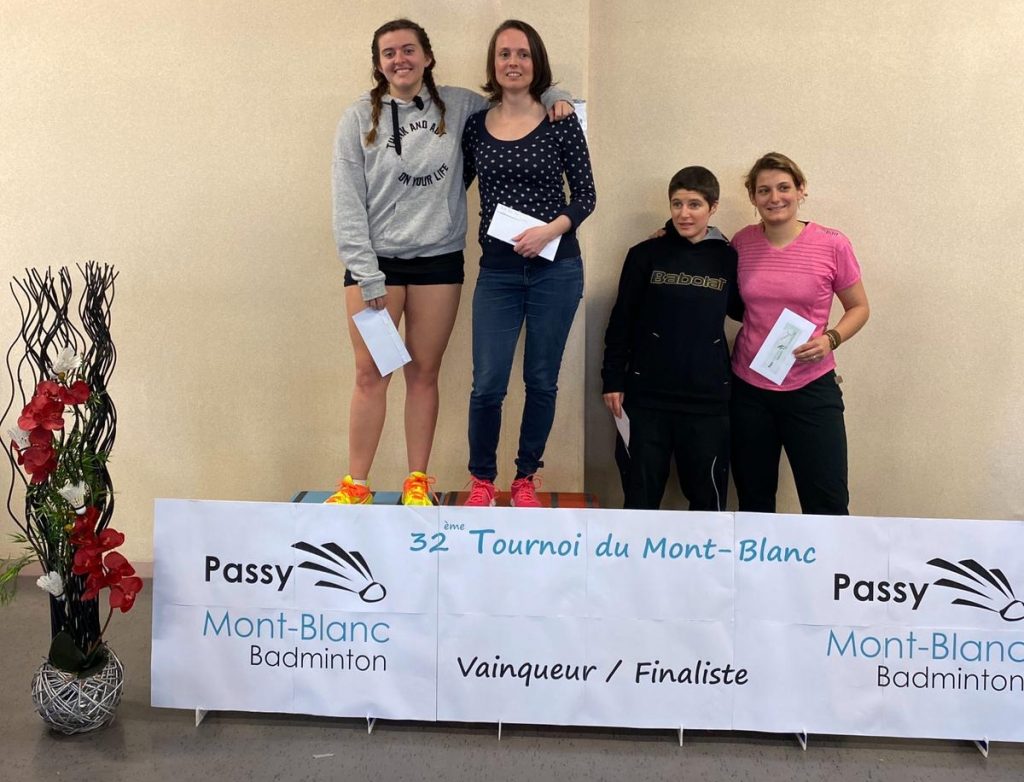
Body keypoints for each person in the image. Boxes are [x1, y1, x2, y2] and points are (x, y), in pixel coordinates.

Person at [329, 19, 573, 506]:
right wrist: (367, 272)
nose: (400, 59)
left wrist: (555, 95)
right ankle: (356, 484)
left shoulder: (461, 106)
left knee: (423, 373)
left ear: (427, 56)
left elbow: (514, 97)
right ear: (378, 64)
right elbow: (347, 202)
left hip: (438, 261)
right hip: (374, 266)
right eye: (389, 53)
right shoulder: (357, 118)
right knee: (371, 374)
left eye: (409, 49)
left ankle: (417, 481)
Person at [460, 19, 596, 508]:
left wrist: (549, 231)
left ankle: (524, 477)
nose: (513, 63)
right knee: (487, 384)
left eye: (522, 54)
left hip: (556, 270)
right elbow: (453, 187)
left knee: (540, 380)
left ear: (536, 61)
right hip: (497, 273)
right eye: (504, 54)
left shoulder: (560, 120)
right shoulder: (475, 125)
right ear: (493, 64)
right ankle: (482, 480)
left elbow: (586, 196)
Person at [729, 152, 870, 515]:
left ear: (801, 190)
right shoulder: (741, 243)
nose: (774, 198)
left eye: (783, 188)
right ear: (753, 197)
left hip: (811, 387)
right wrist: (666, 236)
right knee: (754, 503)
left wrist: (830, 340)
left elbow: (859, 307)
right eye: (764, 190)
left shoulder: (832, 243)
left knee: (828, 504)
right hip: (749, 390)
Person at [602, 166, 743, 511]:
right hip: (647, 396)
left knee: (708, 500)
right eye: (677, 204)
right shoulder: (645, 254)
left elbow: (746, 310)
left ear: (713, 207)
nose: (684, 213)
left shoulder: (728, 258)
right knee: (640, 496)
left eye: (694, 204)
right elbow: (622, 319)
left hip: (708, 399)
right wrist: (612, 379)